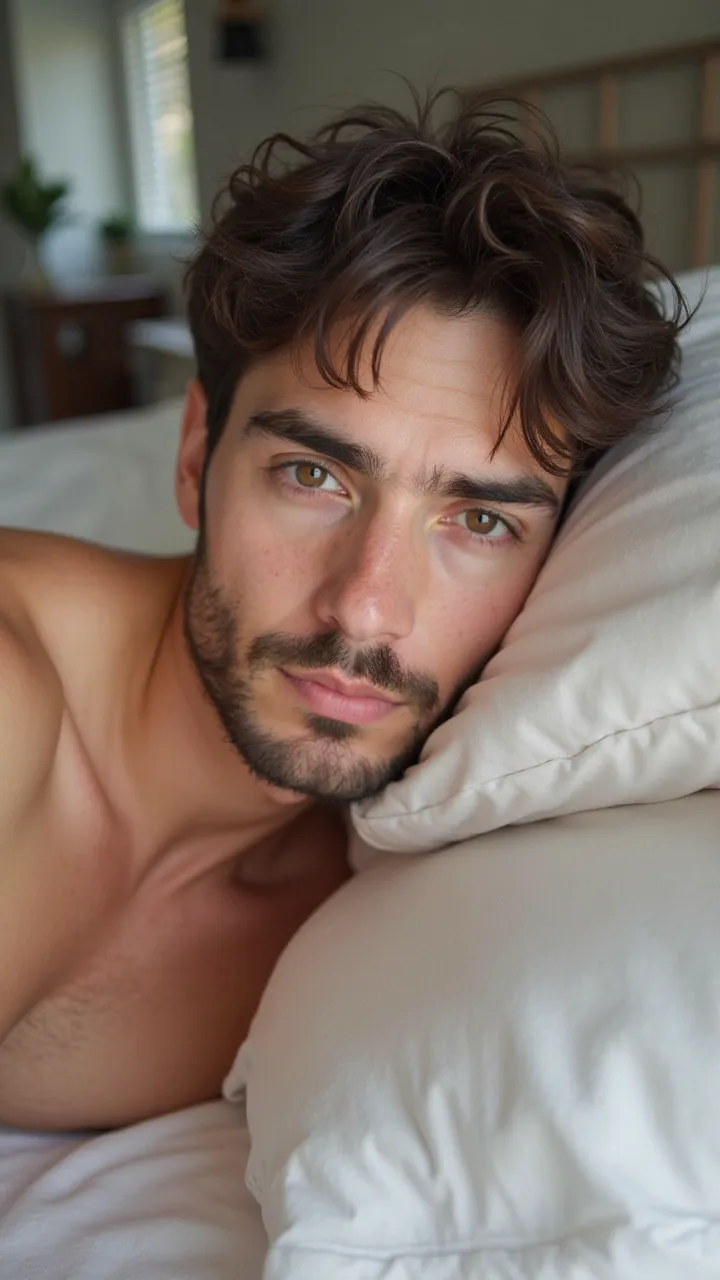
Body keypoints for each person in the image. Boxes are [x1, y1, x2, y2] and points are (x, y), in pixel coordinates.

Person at [0, 93, 684, 1132]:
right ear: (197, 458)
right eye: (314, 473)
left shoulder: (395, 883)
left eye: (479, 522)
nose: (366, 605)